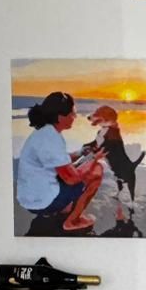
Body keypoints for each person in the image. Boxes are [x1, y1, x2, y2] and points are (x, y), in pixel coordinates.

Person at [16, 91, 103, 235]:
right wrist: (94, 160)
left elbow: (58, 161)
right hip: (41, 202)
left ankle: (63, 210)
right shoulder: (51, 138)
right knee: (96, 171)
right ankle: (72, 221)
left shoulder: (45, 132)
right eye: (72, 113)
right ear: (60, 117)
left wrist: (81, 153)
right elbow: (71, 179)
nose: (75, 117)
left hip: (30, 197)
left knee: (77, 169)